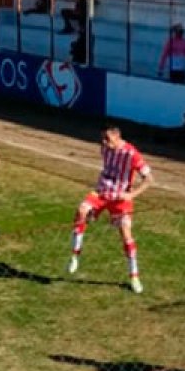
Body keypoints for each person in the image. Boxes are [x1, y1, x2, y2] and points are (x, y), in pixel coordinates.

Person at [67, 125, 153, 294]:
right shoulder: (104, 149)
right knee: (81, 210)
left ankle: (134, 276)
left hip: (120, 198)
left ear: (117, 136)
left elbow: (149, 179)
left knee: (126, 234)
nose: (105, 143)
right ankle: (74, 256)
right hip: (101, 192)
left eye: (108, 139)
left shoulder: (132, 154)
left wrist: (132, 195)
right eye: (103, 139)